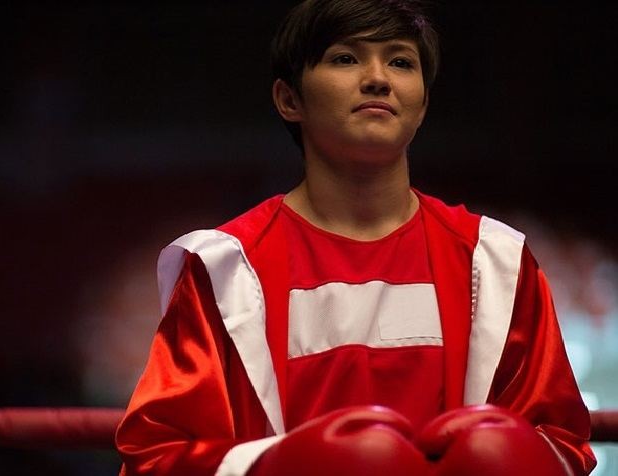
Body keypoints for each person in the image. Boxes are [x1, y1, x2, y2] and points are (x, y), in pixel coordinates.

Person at [116, 1, 597, 475]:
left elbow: (563, 442)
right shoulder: (225, 269)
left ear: (423, 105)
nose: (378, 79)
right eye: (346, 58)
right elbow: (155, 457)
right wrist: (279, 467)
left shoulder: (496, 263)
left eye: (401, 62)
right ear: (289, 100)